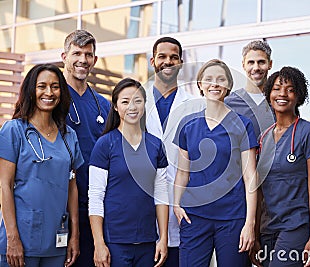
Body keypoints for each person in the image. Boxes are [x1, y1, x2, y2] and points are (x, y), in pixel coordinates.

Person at [173, 59, 258, 267]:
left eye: (221, 79)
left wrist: (250, 223)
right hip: (194, 217)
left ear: (228, 84)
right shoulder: (187, 124)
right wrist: (176, 204)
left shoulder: (243, 125)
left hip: (232, 219)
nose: (215, 84)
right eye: (208, 79)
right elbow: (182, 172)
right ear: (200, 85)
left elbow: (250, 178)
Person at [0, 64, 84, 267]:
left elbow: (72, 185)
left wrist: (75, 235)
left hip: (56, 238)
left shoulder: (68, 136)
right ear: (31, 90)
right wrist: (12, 238)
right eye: (42, 86)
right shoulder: (14, 130)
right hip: (21, 238)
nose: (49, 92)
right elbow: (4, 185)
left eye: (55, 87)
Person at [88, 78, 169, 267]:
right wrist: (99, 243)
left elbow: (161, 195)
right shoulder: (105, 144)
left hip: (148, 242)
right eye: (125, 101)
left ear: (144, 104)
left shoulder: (156, 145)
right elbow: (96, 197)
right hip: (115, 241)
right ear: (115, 107)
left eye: (137, 100)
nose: (132, 107)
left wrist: (163, 238)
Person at [145, 36, 204, 267]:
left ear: (180, 62)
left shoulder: (197, 105)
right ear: (153, 61)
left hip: (184, 207)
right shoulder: (136, 101)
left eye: (173, 57)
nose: (167, 62)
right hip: (144, 205)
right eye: (162, 56)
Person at [258, 66, 310, 266]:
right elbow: (260, 188)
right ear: (269, 94)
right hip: (267, 227)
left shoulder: (308, 132)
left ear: (299, 96)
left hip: (295, 225)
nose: (282, 94)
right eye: (277, 88)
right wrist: (254, 233)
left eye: (290, 89)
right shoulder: (264, 137)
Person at [61, 29, 110, 267]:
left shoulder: (104, 104)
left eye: (88, 54)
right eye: (77, 53)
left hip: (94, 206)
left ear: (95, 60)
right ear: (64, 57)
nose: (83, 59)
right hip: (61, 202)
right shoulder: (54, 98)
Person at [224, 40, 275, 267]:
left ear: (270, 64)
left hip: (275, 190)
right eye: (251, 62)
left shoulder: (279, 99)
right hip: (243, 191)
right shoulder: (229, 103)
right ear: (243, 65)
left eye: (261, 62)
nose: (256, 67)